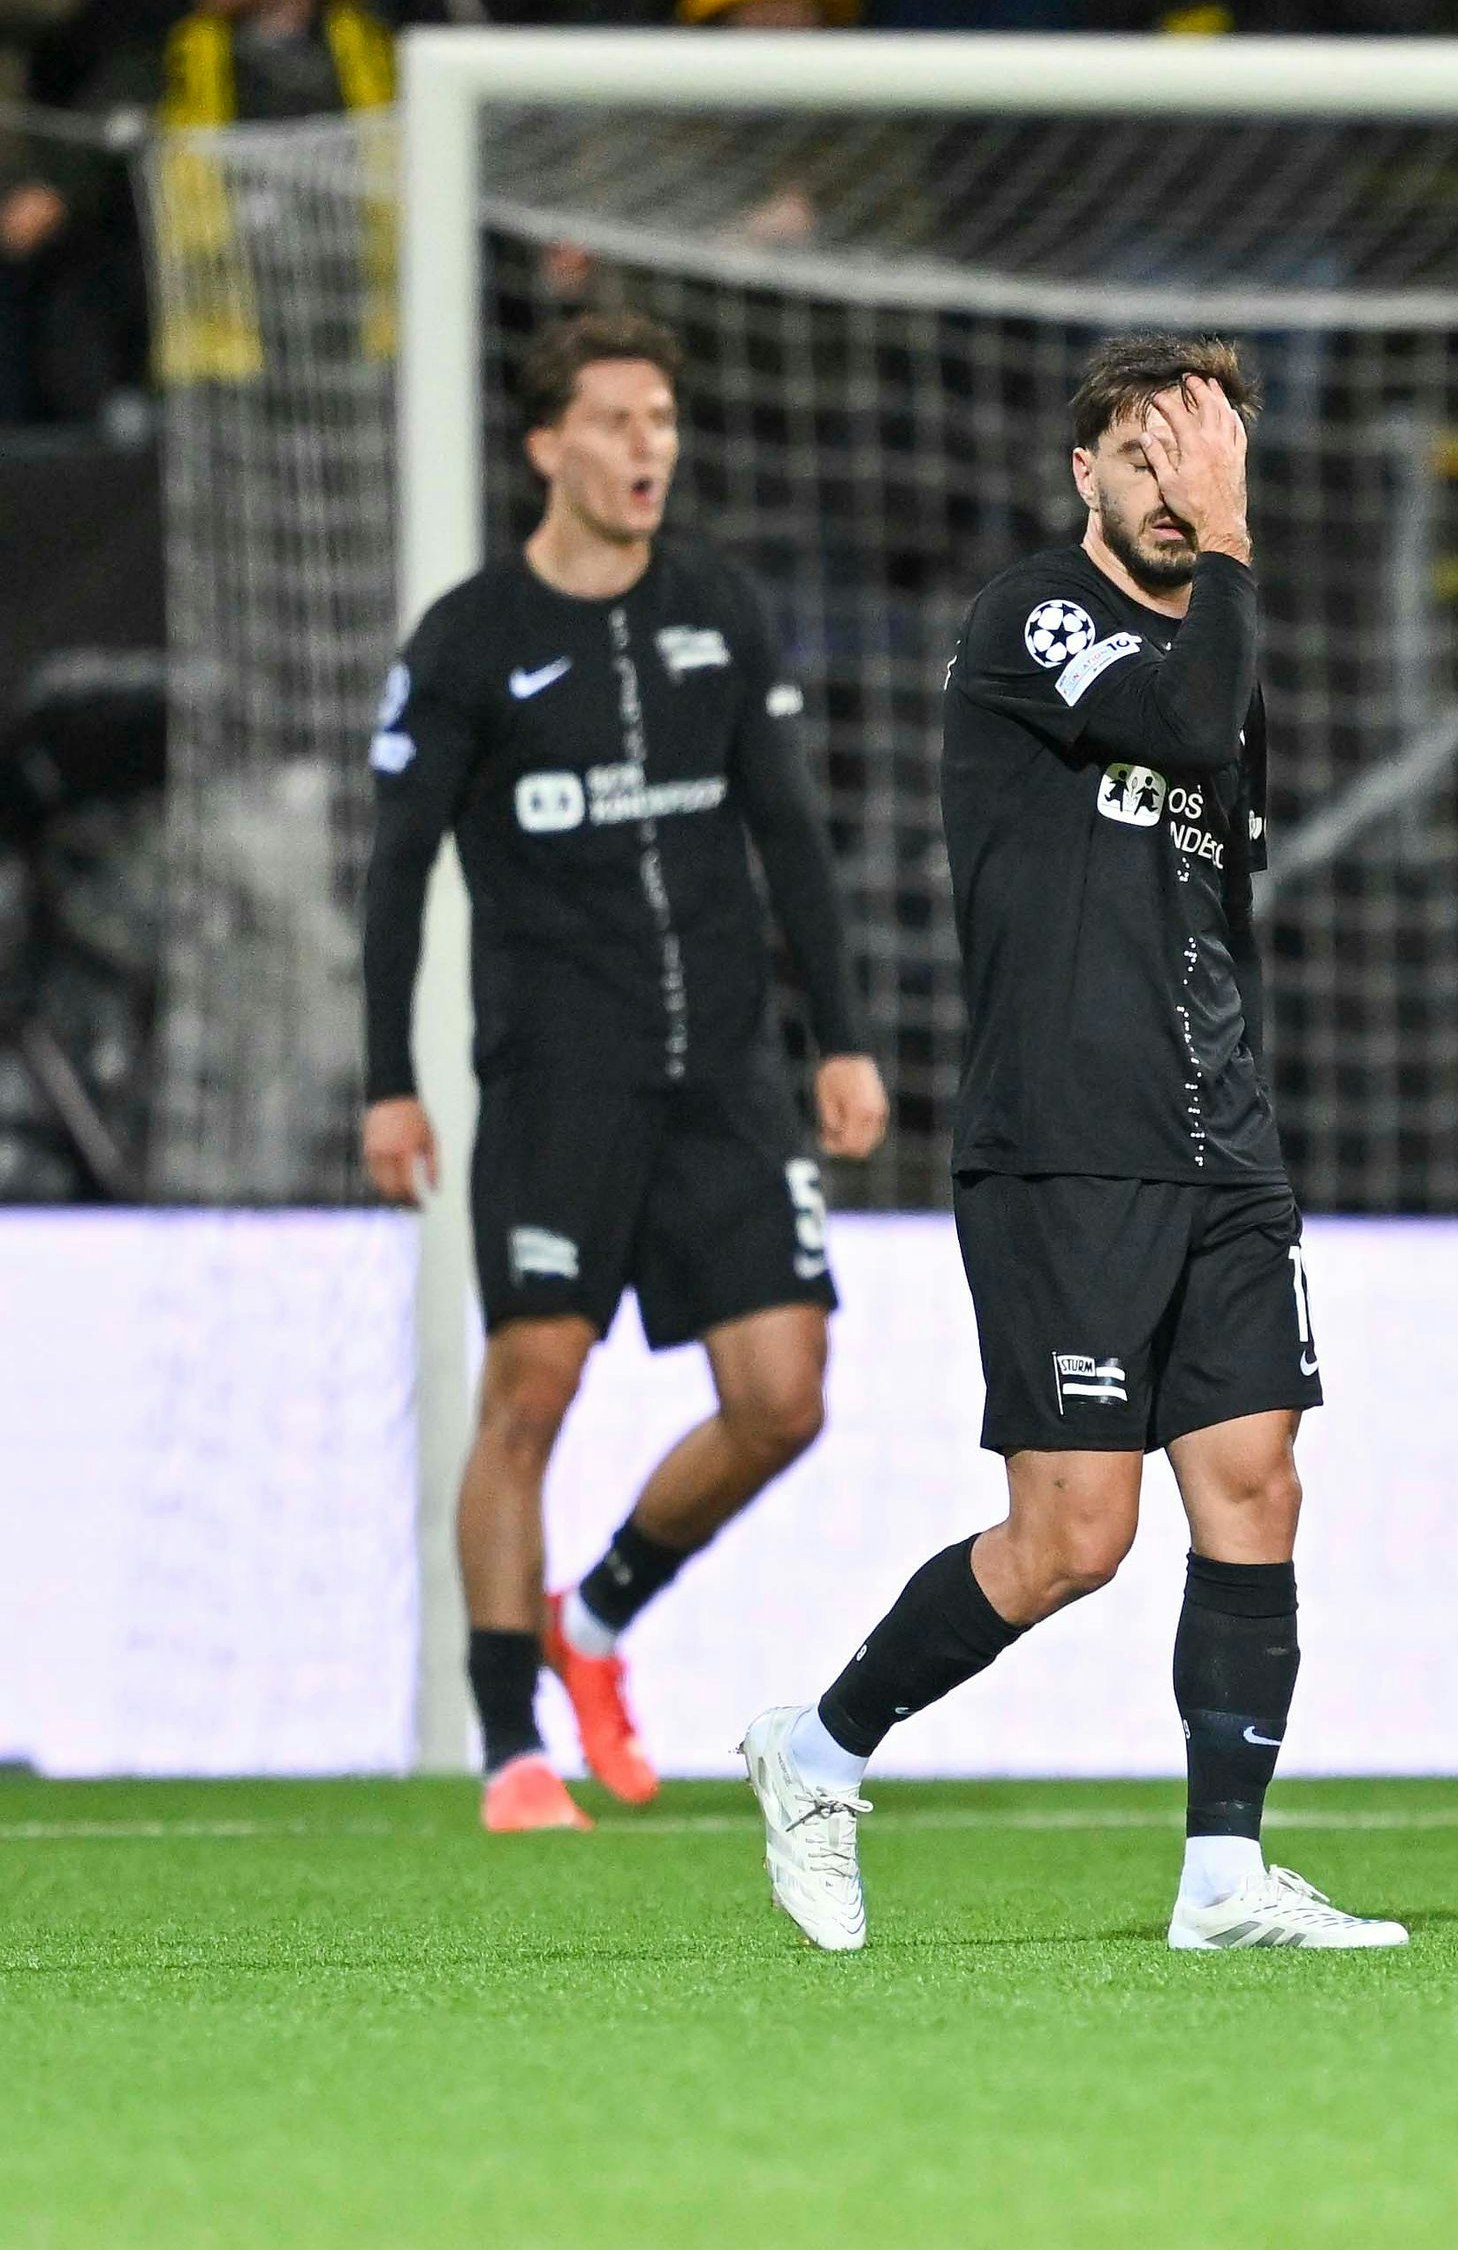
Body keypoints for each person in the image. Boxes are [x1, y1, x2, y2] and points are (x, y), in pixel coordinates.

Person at [740, 336, 1397, 1956]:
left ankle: (1224, 1881)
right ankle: (817, 1752)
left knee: (1258, 1485)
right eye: (1150, 455)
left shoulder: (1229, 666)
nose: (1179, 488)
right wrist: (1234, 547)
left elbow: (1219, 891)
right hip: (1066, 1147)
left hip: (1222, 1148)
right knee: (1073, 1542)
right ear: (1085, 474)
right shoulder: (1037, 616)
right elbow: (1173, 729)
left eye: (1209, 456)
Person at [362, 310, 884, 1834]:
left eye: (662, 417)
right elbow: (397, 872)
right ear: (547, 447)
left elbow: (787, 833)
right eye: (615, 420)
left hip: (723, 1068)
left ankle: (595, 1619)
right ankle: (514, 1742)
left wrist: (838, 1035)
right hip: (556, 1073)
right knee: (529, 1389)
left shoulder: (717, 604)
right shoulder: (469, 640)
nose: (648, 445)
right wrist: (390, 1078)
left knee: (784, 1400)